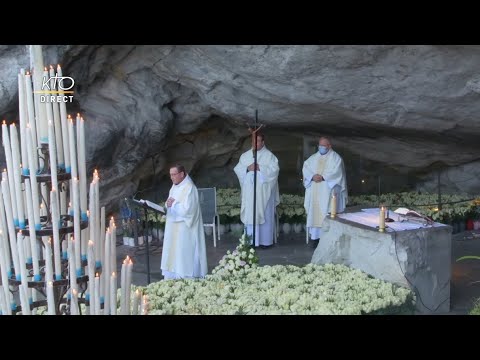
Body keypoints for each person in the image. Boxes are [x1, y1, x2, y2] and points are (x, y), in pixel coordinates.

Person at [160, 164, 208, 280]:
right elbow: (169, 202)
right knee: (173, 252)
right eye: (170, 175)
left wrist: (174, 204)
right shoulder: (174, 187)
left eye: (174, 174)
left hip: (185, 229)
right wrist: (168, 204)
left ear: (181, 174)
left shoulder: (190, 188)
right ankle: (173, 275)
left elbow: (189, 210)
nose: (171, 177)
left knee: (183, 253)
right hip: (173, 227)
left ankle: (185, 276)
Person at [234, 132, 280, 248]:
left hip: (264, 194)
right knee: (251, 214)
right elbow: (238, 169)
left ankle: (265, 242)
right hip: (250, 194)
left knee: (265, 215)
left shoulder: (270, 156)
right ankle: (251, 241)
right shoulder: (245, 156)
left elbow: (275, 171)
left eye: (257, 141)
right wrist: (247, 169)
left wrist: (260, 168)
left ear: (263, 142)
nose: (254, 143)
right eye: (253, 141)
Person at [302, 136, 348, 248]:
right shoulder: (312, 158)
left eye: (324, 145)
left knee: (326, 212)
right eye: (320, 145)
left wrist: (323, 177)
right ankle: (315, 239)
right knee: (315, 213)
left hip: (328, 191)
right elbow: (306, 168)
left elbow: (337, 173)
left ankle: (327, 239)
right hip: (315, 191)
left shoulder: (336, 158)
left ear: (329, 146)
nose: (321, 147)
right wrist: (312, 176)